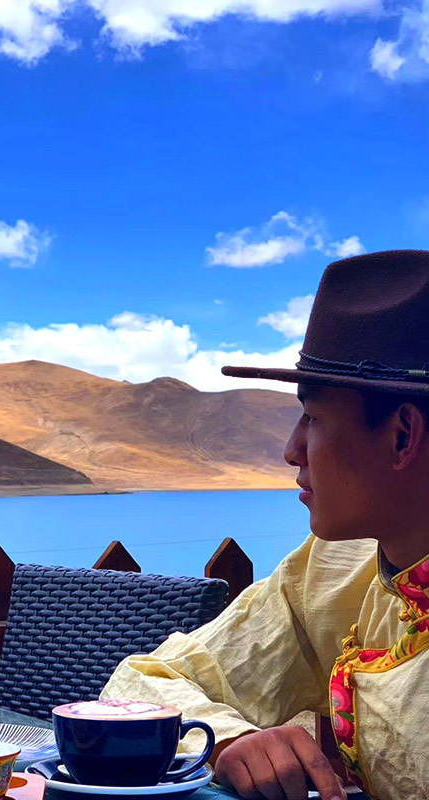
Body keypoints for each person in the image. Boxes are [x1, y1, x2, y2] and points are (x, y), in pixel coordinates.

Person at [101, 249, 429, 800]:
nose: (291, 449)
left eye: (314, 417)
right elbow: (144, 684)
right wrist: (229, 740)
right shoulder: (332, 571)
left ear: (401, 435)